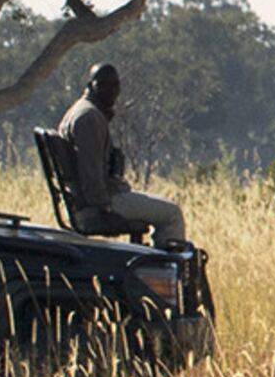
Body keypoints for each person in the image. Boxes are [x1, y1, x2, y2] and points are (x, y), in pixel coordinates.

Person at [53, 63, 187, 243]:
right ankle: (161, 269)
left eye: (115, 85)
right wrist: (104, 208)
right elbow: (90, 175)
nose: (111, 90)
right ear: (90, 85)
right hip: (98, 205)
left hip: (85, 200)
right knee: (172, 214)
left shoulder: (81, 111)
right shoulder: (89, 118)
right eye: (104, 85)